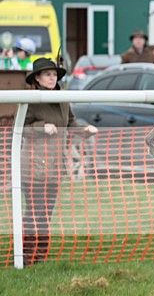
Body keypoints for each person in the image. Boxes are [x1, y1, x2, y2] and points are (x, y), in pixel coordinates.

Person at [21, 58, 97, 265]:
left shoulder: (63, 98)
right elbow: (20, 128)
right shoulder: (28, 99)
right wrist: (41, 127)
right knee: (34, 212)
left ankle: (41, 255)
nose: (52, 78)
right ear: (37, 78)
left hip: (56, 167)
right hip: (33, 166)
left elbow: (71, 122)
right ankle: (26, 255)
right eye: (47, 74)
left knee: (46, 213)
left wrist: (84, 130)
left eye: (54, 74)